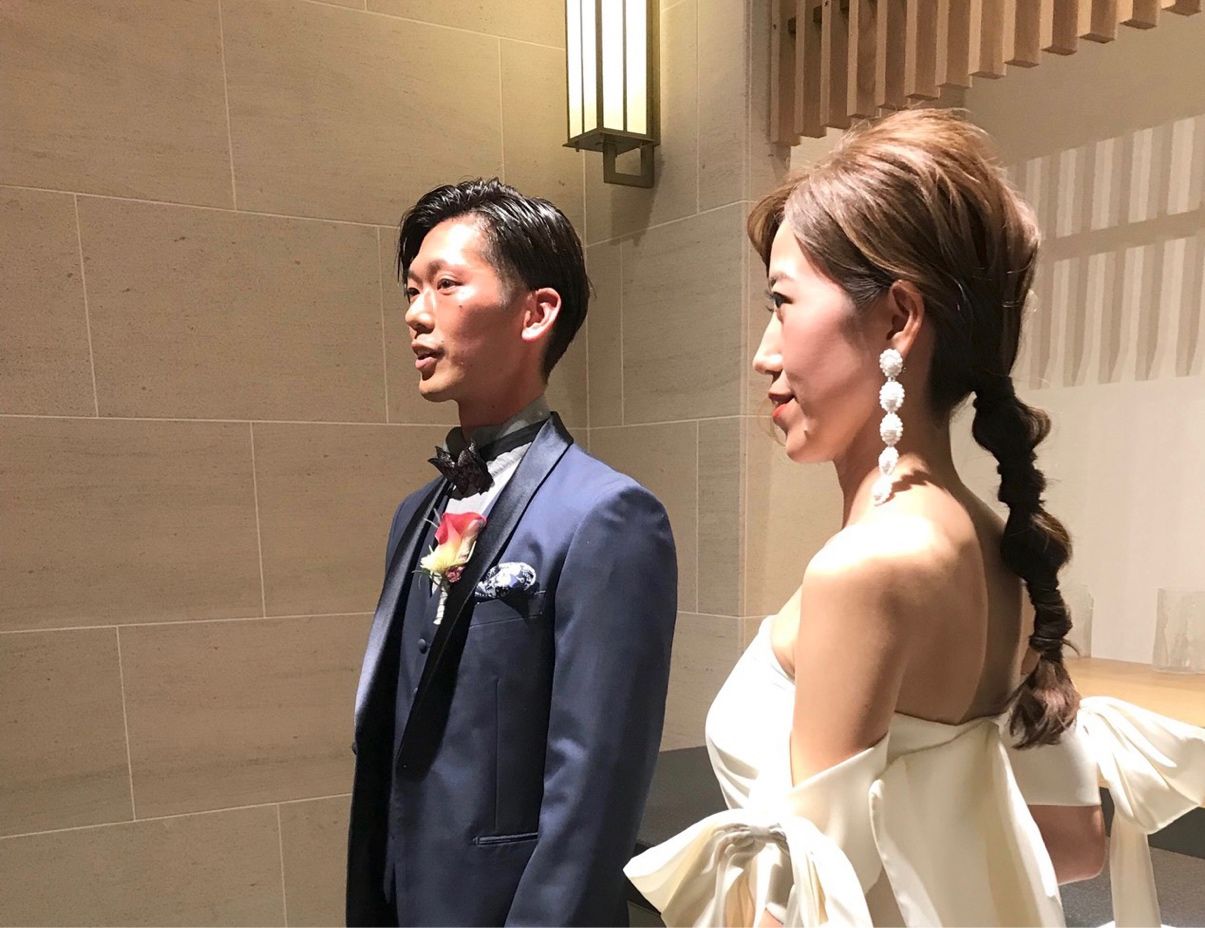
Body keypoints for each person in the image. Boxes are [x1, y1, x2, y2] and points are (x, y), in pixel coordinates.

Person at [626, 108, 1111, 925]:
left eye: (781, 303)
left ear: (897, 318)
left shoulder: (866, 569)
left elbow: (811, 902)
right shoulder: (1002, 551)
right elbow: (1073, 845)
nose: (763, 354)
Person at [347, 178, 678, 927]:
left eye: (446, 285)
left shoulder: (607, 516)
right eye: (411, 290)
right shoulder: (415, 515)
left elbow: (595, 791)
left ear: (536, 312)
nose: (415, 313)